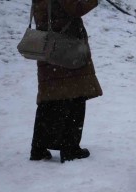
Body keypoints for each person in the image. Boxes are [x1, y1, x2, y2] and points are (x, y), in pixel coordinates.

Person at [30, 0, 103, 163]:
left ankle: (39, 147)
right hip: (66, 49)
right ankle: (70, 148)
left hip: (49, 46)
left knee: (50, 100)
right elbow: (76, 7)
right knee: (75, 98)